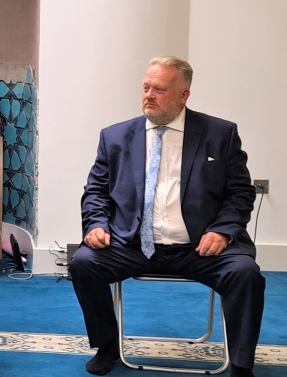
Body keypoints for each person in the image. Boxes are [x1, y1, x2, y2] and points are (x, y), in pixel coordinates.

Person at [69, 56, 265, 377]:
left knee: (246, 273)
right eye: (146, 87)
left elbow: (240, 193)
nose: (149, 95)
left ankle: (242, 365)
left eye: (159, 89)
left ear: (183, 95)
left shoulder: (220, 134)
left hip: (199, 247)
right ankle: (107, 346)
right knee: (83, 263)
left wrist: (223, 231)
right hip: (132, 244)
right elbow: (96, 191)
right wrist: (97, 225)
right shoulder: (115, 137)